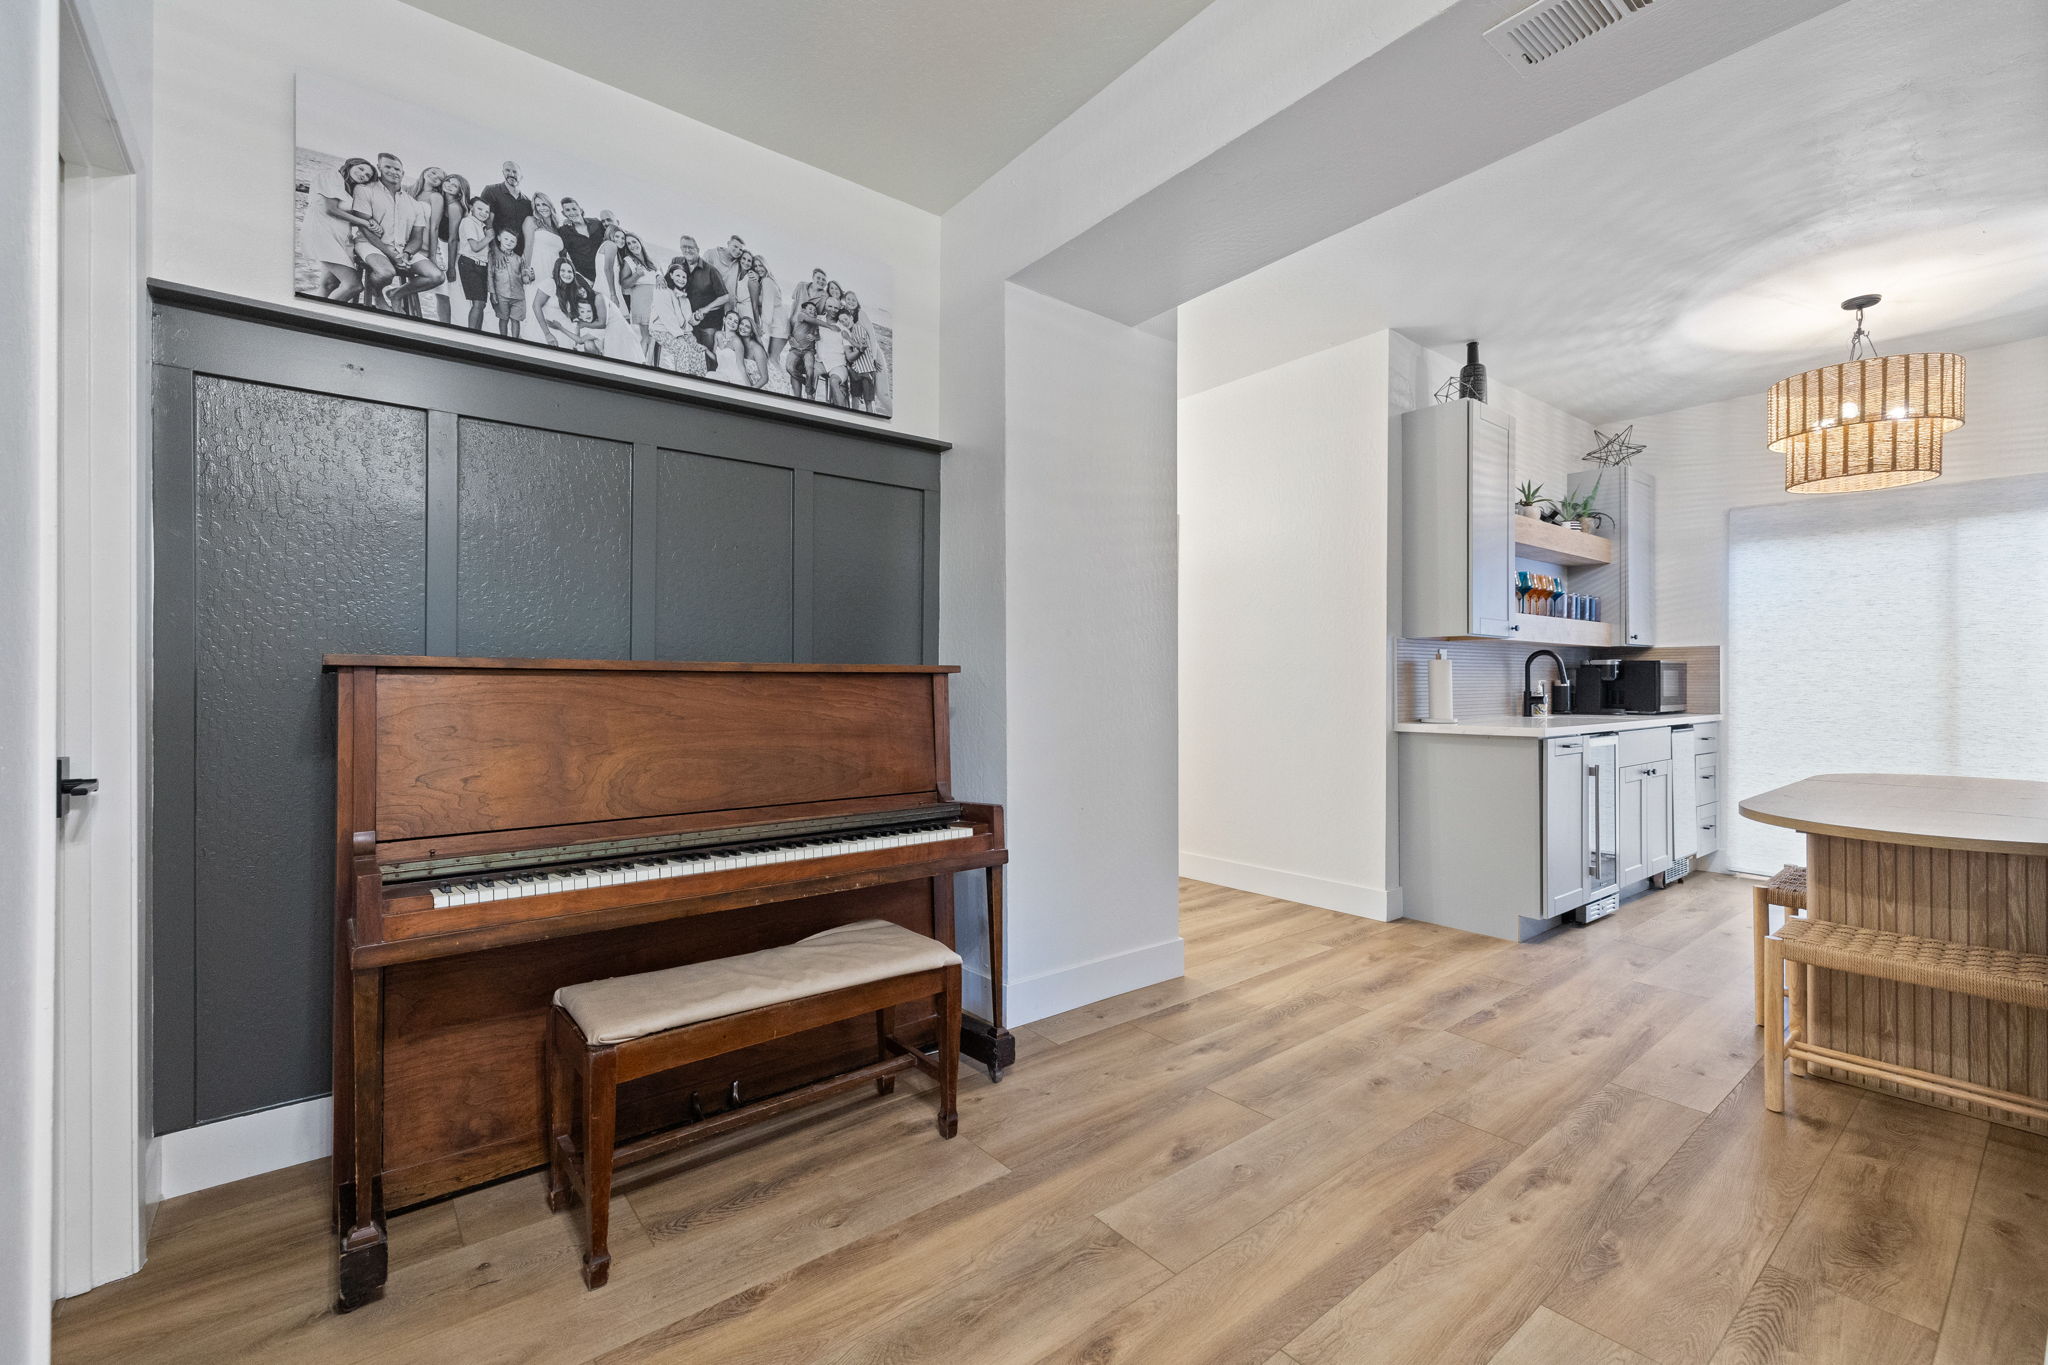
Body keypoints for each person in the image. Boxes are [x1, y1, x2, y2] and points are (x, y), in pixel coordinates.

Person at [352, 152, 442, 312]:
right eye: (387, 167)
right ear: (379, 167)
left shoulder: (414, 204)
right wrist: (391, 254)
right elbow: (365, 227)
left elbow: (417, 238)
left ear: (403, 173)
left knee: (436, 276)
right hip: (369, 244)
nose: (393, 172)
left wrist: (406, 254)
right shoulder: (364, 190)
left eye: (397, 169)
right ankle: (377, 294)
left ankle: (396, 294)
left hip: (402, 249)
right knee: (386, 273)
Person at [300, 156, 380, 302]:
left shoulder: (348, 188)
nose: (363, 175)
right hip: (323, 234)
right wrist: (364, 222)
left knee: (330, 284)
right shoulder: (332, 176)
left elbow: (343, 216)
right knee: (353, 286)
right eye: (361, 169)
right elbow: (331, 210)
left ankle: (311, 314)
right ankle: (320, 319)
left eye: (368, 175)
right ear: (351, 165)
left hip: (338, 238)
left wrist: (371, 221)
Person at [673, 236, 731, 362]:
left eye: (690, 247)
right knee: (690, 354)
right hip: (687, 322)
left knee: (708, 356)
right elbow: (669, 281)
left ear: (698, 249)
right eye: (684, 247)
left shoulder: (711, 270)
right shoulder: (677, 263)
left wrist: (704, 310)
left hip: (709, 323)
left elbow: (725, 297)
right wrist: (658, 277)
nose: (687, 250)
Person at [647, 259, 708, 375]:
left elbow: (688, 320)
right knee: (683, 348)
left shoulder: (684, 297)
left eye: (684, 277)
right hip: (661, 329)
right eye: (678, 275)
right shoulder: (662, 289)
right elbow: (667, 317)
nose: (681, 279)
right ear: (671, 275)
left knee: (698, 351)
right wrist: (680, 336)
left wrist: (697, 318)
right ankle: (681, 379)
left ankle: (697, 380)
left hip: (680, 332)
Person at [407, 166, 451, 322]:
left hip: (429, 247)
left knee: (443, 292)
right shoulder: (409, 191)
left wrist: (433, 256)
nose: (434, 177)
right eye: (433, 172)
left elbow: (435, 227)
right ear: (425, 172)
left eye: (439, 177)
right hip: (410, 246)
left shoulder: (436, 197)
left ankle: (445, 329)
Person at [521, 194, 564, 341]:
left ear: (550, 205)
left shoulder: (556, 227)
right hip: (537, 267)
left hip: (555, 271)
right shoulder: (531, 221)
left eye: (544, 204)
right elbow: (528, 246)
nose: (541, 208)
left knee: (553, 305)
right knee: (536, 303)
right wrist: (526, 271)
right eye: (537, 205)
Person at [534, 254, 596, 349]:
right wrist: (547, 334)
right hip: (548, 328)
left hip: (565, 329)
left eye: (570, 272)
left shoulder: (571, 287)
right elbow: (536, 306)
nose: (566, 274)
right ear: (557, 271)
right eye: (562, 271)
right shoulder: (550, 283)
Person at [478, 160, 533, 259]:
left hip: (518, 256)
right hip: (496, 253)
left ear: (521, 176)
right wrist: (495, 250)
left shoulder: (528, 202)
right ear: (503, 172)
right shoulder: (491, 191)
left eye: (515, 172)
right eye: (508, 170)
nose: (511, 174)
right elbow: (486, 222)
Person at [455, 197, 494, 329]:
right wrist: (489, 237)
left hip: (481, 265)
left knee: (481, 303)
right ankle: (471, 334)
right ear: (471, 207)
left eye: (487, 211)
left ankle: (478, 333)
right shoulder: (468, 222)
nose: (483, 213)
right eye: (480, 209)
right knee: (477, 303)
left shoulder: (480, 225)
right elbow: (475, 247)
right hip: (469, 263)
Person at [841, 293, 881, 413]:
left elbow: (871, 338)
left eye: (854, 300)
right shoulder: (847, 319)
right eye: (848, 299)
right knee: (855, 396)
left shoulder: (860, 317)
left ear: (857, 302)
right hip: (855, 367)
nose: (851, 302)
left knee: (869, 400)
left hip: (867, 365)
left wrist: (874, 358)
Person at [555, 197, 605, 287]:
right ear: (564, 213)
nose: (572, 213)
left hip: (605, 273)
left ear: (581, 210)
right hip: (586, 280)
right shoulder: (563, 231)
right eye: (568, 210)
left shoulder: (596, 223)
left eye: (574, 209)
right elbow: (562, 255)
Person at [486, 227, 526, 338]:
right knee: (503, 319)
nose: (509, 242)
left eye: (513, 241)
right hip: (501, 295)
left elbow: (524, 277)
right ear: (499, 238)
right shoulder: (493, 256)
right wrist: (492, 293)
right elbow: (490, 275)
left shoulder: (519, 259)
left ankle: (515, 341)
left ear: (517, 243)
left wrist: (529, 276)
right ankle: (503, 339)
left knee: (516, 320)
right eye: (506, 239)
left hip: (518, 296)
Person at [752, 254, 789, 369]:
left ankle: (783, 385)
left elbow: (767, 305)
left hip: (779, 325)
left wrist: (763, 328)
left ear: (766, 266)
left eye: (761, 265)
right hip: (777, 323)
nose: (758, 268)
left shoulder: (767, 281)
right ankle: (781, 384)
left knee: (772, 360)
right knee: (774, 358)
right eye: (755, 266)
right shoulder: (764, 281)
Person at [812, 301, 850, 406]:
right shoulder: (818, 319)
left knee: (834, 381)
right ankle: (808, 407)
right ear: (825, 306)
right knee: (811, 373)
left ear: (839, 309)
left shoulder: (843, 328)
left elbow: (848, 351)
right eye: (830, 306)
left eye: (836, 308)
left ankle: (842, 415)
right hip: (821, 362)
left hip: (838, 365)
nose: (833, 310)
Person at [784, 297, 821, 398]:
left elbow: (818, 336)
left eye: (814, 310)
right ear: (804, 310)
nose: (813, 311)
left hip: (808, 351)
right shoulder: (799, 318)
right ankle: (807, 384)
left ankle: (808, 389)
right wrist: (791, 340)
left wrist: (814, 336)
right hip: (795, 350)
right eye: (810, 309)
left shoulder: (815, 323)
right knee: (789, 367)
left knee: (809, 368)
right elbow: (790, 334)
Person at [735, 314, 770, 389]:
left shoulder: (757, 349)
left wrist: (750, 391)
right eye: (742, 324)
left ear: (751, 332)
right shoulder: (737, 342)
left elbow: (765, 378)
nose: (743, 328)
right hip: (746, 381)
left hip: (759, 385)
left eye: (747, 327)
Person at [712, 310, 747, 383]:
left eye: (735, 322)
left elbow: (741, 367)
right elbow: (715, 358)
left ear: (737, 326)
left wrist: (750, 388)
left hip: (735, 377)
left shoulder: (737, 341)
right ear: (724, 319)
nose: (732, 322)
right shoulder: (718, 334)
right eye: (730, 318)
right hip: (721, 374)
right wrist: (705, 349)